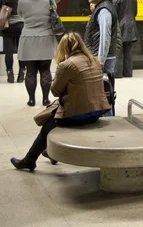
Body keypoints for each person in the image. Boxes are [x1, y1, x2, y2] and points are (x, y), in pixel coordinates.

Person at [10, 32, 111, 171]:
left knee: (48, 125)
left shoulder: (67, 65)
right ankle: (48, 153)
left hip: (80, 114)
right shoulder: (94, 60)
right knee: (52, 115)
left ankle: (30, 160)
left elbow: (55, 91)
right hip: (97, 111)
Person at [17, 0, 58, 106]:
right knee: (45, 70)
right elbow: (55, 12)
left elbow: (20, 15)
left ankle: (31, 100)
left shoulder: (22, 1)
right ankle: (45, 99)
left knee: (30, 71)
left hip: (28, 39)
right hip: (46, 38)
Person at [85, 0, 118, 77]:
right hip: (99, 55)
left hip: (102, 57)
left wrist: (101, 61)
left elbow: (105, 36)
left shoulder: (104, 10)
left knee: (103, 88)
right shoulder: (101, 8)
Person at [0, 0, 28, 83]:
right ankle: (21, 74)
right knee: (21, 51)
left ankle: (10, 74)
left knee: (8, 51)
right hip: (21, 25)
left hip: (7, 26)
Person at [112, 0, 138, 78]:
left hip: (120, 25)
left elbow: (114, 13)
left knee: (118, 50)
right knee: (128, 51)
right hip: (131, 25)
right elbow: (135, 12)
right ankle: (128, 72)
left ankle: (117, 73)